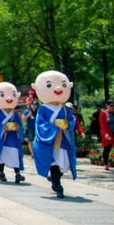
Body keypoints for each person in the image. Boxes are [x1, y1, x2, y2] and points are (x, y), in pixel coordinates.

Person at [32, 71, 77, 199]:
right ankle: (58, 186)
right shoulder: (43, 109)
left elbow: (72, 120)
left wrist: (67, 125)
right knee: (54, 163)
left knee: (64, 163)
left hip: (63, 140)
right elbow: (40, 124)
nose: (58, 88)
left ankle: (54, 179)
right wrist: (55, 126)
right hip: (50, 140)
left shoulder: (65, 108)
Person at [0, 82, 25, 184]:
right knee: (2, 156)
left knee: (15, 154)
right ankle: (1, 173)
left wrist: (17, 128)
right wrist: (4, 128)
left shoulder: (14, 114)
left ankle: (17, 174)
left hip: (12, 138)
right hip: (2, 139)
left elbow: (20, 125)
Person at [21, 90, 38, 157]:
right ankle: (32, 154)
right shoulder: (26, 111)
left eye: (35, 106)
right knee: (30, 141)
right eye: (33, 105)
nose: (34, 107)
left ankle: (36, 152)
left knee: (36, 140)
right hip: (30, 127)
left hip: (36, 127)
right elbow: (23, 119)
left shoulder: (38, 111)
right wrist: (28, 115)